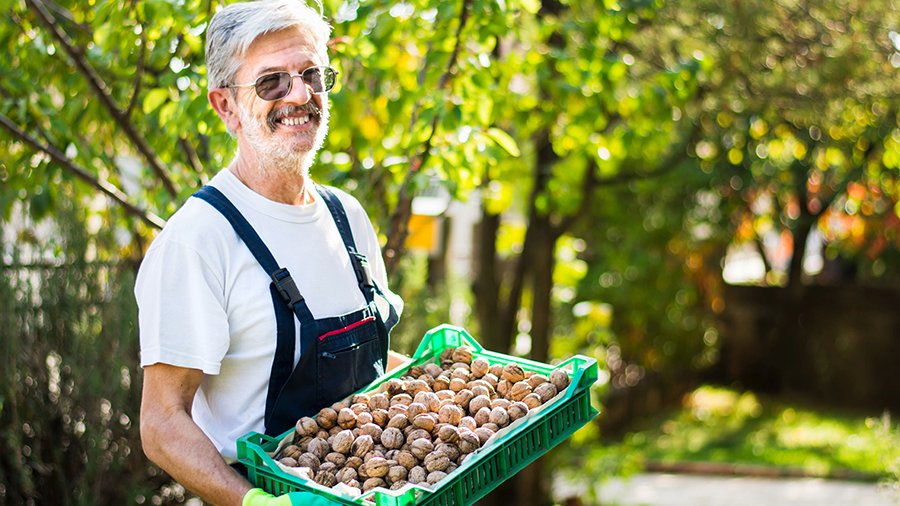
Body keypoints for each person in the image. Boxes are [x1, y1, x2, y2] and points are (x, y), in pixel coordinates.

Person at [135, 1, 404, 504]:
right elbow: (161, 422)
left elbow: (366, 374)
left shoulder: (347, 218)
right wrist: (252, 502)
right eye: (271, 83)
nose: (299, 94)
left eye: (311, 74)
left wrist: (436, 374)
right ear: (225, 106)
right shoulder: (198, 240)